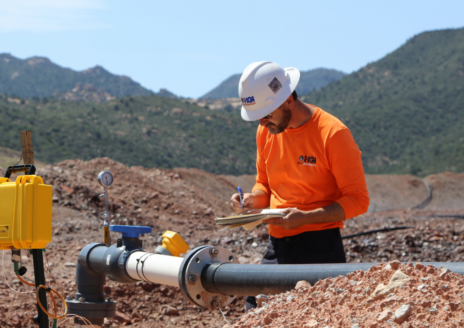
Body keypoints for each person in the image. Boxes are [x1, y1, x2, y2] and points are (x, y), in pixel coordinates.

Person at [230, 61, 370, 311]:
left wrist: (306, 218)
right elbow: (265, 185)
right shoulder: (267, 131)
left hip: (321, 248)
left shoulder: (333, 134)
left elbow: (358, 199)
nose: (262, 123)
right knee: (256, 313)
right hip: (278, 244)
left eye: (267, 115)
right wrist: (252, 200)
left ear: (288, 101)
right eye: (258, 118)